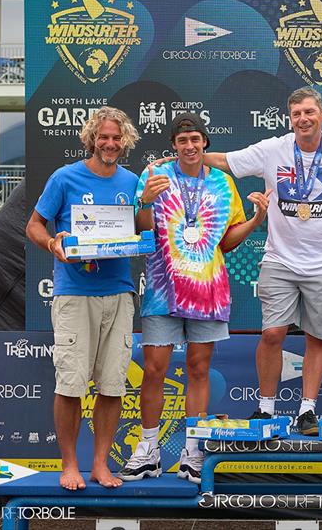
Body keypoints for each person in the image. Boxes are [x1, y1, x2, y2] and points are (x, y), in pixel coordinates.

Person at [188, 87, 322, 435]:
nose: (302, 119)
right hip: (280, 259)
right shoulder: (273, 149)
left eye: (308, 112)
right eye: (296, 115)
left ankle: (307, 410)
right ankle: (265, 407)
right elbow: (227, 160)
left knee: (318, 338)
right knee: (273, 333)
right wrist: (186, 157)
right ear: (290, 120)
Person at [118, 113, 270, 484]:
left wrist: (254, 220)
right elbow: (140, 229)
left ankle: (193, 449)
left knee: (200, 370)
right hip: (161, 289)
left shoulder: (222, 182)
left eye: (195, 140)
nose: (189, 146)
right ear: (174, 144)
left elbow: (227, 242)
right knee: (154, 369)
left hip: (208, 291)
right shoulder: (154, 177)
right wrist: (145, 204)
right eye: (183, 140)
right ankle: (149, 449)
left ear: (205, 144)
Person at [25, 107, 141, 490]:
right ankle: (70, 464)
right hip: (74, 293)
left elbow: (144, 229)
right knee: (71, 385)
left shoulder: (132, 180)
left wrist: (152, 202)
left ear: (125, 142)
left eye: (116, 138)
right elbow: (35, 226)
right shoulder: (64, 177)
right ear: (91, 139)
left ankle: (100, 464)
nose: (109, 144)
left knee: (112, 386)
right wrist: (52, 242)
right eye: (103, 137)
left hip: (120, 293)